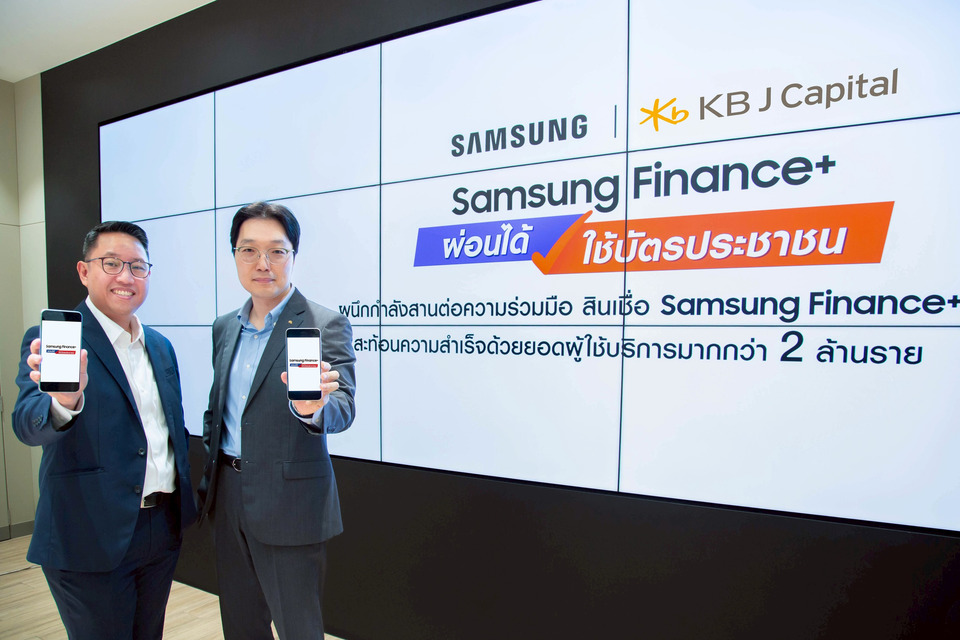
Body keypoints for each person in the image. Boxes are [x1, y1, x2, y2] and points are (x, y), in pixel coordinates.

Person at [12, 221, 197, 640]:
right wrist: (64, 402)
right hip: (88, 535)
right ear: (84, 271)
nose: (126, 277)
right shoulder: (54, 340)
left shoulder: (160, 346)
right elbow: (27, 424)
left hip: (160, 529)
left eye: (137, 266)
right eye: (111, 263)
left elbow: (167, 429)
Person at [197, 201, 357, 640]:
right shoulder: (224, 327)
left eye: (276, 251)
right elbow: (219, 410)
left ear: (293, 255)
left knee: (298, 629)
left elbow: (344, 406)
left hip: (291, 504)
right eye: (248, 250)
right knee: (241, 626)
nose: (262, 263)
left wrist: (313, 409)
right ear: (235, 255)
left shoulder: (324, 322)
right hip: (228, 497)